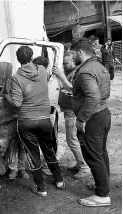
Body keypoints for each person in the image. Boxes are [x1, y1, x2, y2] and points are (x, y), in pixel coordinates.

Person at [4, 46, 64, 197]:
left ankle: (41, 188)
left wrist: (6, 95)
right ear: (32, 56)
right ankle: (59, 180)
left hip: (27, 122)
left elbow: (17, 103)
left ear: (18, 60)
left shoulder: (16, 78)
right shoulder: (42, 71)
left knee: (33, 155)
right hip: (44, 119)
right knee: (48, 151)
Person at [70, 38, 111, 207]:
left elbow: (93, 96)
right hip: (103, 113)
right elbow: (104, 92)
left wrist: (81, 119)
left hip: (92, 118)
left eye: (72, 54)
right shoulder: (100, 67)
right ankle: (103, 185)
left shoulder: (85, 71)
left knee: (93, 155)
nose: (72, 58)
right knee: (100, 153)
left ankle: (102, 196)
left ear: (80, 52)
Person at [52, 52, 90, 180]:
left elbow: (72, 88)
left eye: (66, 63)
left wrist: (61, 76)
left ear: (73, 61)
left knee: (72, 140)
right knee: (75, 140)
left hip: (73, 113)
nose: (63, 65)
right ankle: (80, 164)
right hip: (69, 111)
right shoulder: (71, 73)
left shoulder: (76, 73)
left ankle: (84, 167)